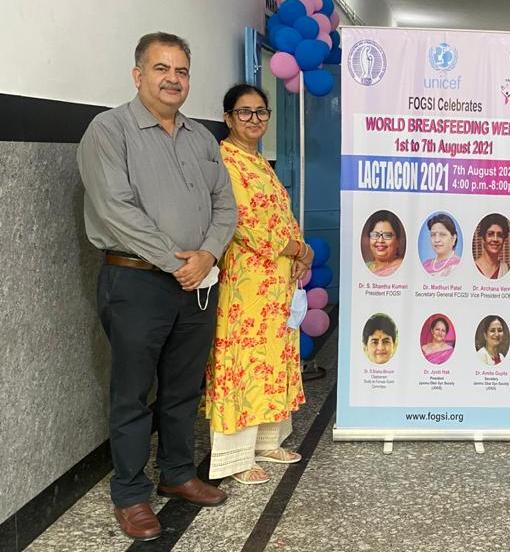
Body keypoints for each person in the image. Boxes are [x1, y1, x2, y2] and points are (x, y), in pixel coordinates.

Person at [77, 32, 237, 540]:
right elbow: (115, 210)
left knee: (183, 387)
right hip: (137, 281)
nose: (173, 79)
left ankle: (177, 473)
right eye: (161, 68)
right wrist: (176, 262)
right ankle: (130, 494)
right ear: (138, 74)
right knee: (131, 392)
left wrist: (208, 254)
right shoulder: (109, 130)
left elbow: (225, 204)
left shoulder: (201, 138)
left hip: (198, 282)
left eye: (181, 71)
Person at [204, 84, 309, 485]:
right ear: (228, 118)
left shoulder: (259, 161)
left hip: (278, 281)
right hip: (246, 282)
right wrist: (296, 248)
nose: (254, 119)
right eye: (244, 112)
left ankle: (267, 440)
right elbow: (245, 222)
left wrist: (301, 254)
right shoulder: (225, 160)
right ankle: (234, 458)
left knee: (273, 358)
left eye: (261, 112)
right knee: (243, 361)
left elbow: (282, 214)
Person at [364, 211, 405, 276]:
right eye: (375, 235)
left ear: (398, 241)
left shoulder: (403, 267)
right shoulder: (366, 267)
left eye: (387, 235)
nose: (380, 240)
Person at [474, 214, 510, 278]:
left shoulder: (506, 269)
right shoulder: (473, 267)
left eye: (500, 235)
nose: (495, 239)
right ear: (483, 238)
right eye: (490, 234)